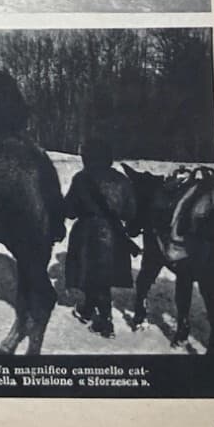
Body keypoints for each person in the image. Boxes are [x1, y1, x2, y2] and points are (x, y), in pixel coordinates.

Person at [63, 136, 137, 338]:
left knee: (94, 276)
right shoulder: (122, 180)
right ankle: (87, 309)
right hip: (114, 234)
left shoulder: (81, 179)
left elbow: (69, 210)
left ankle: (105, 322)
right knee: (100, 276)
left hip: (87, 233)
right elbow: (131, 212)